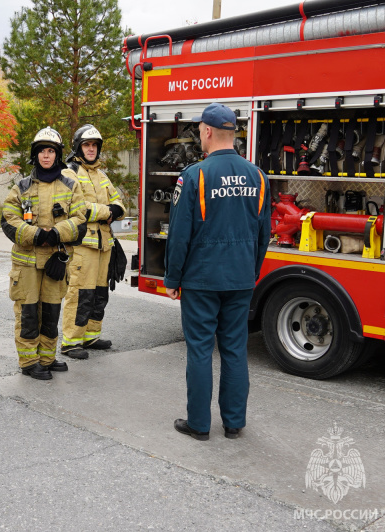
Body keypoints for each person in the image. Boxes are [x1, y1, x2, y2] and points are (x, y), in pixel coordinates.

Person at [164, 103, 271, 441]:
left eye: (199, 131)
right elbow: (263, 233)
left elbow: (180, 234)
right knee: (235, 349)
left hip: (201, 280)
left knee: (199, 350)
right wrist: (250, 272)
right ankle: (234, 422)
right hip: (240, 279)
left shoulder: (194, 175)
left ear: (207, 132)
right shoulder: (258, 176)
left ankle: (199, 424)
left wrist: (173, 278)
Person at [1, 127, 87, 379]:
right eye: (42, 151)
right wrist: (37, 235)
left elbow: (80, 220)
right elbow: (8, 220)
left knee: (51, 311)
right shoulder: (21, 187)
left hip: (54, 263)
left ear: (58, 155)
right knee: (28, 314)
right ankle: (29, 363)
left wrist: (57, 233)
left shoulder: (71, 186)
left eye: (51, 151)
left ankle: (47, 359)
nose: (46, 156)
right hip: (26, 264)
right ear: (35, 155)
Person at [60, 124, 126, 359]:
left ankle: (90, 336)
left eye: (94, 145)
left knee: (99, 293)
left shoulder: (102, 175)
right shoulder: (69, 173)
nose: (91, 149)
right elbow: (75, 208)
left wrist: (112, 210)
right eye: (87, 145)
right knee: (80, 294)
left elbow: (121, 205)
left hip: (104, 245)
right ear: (78, 147)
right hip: (83, 246)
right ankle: (71, 341)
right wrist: (107, 211)